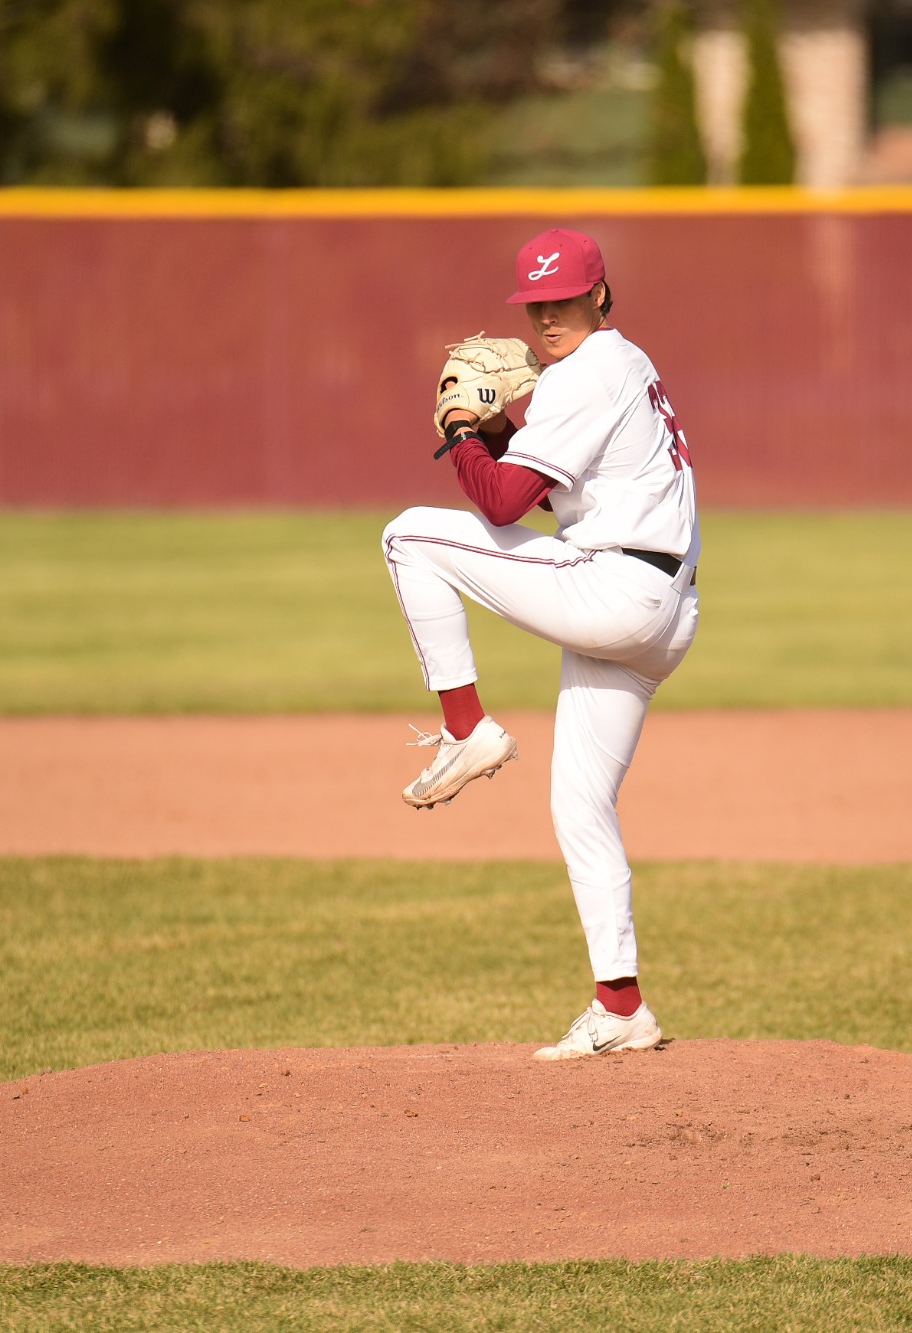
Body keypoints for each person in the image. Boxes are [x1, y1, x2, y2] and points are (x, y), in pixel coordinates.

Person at [382, 227, 701, 1061]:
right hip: (658, 610)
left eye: (563, 299)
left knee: (410, 537)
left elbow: (498, 505)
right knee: (579, 805)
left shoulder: (585, 372)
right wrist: (490, 439)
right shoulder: (625, 365)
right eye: (536, 303)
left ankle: (466, 726)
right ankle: (622, 1005)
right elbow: (526, 494)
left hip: (616, 591)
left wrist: (460, 428)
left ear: (600, 295)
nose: (548, 315)